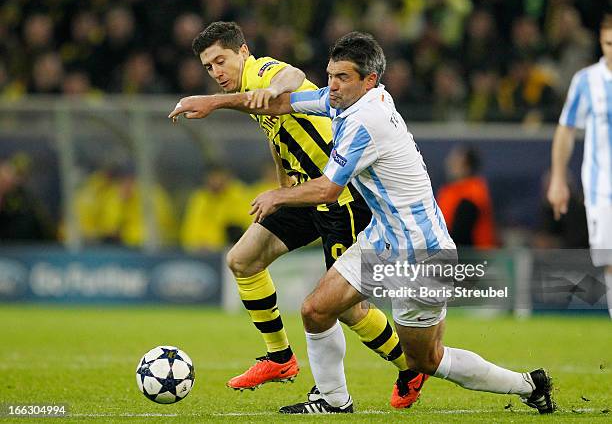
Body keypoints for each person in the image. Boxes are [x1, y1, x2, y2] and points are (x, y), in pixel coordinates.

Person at [206, 31, 554, 414]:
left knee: (426, 360)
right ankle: (332, 401)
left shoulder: (365, 122)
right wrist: (210, 103)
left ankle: (528, 385)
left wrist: (277, 195)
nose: (332, 85)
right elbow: (284, 104)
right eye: (330, 75)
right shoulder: (352, 99)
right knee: (316, 310)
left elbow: (325, 190)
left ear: (368, 80)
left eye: (342, 78)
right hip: (383, 241)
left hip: (421, 256)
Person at [169, 21, 423, 408]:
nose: (216, 72)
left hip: (340, 195)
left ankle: (411, 366)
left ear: (242, 52)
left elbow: (293, 74)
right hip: (304, 193)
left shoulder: (262, 71)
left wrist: (272, 89)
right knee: (242, 260)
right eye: (208, 67)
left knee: (348, 309)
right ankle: (280, 358)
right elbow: (278, 137)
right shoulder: (245, 92)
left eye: (221, 60)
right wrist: (282, 187)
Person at [548, 14, 612, 318]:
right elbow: (566, 129)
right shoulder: (587, 81)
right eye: (607, 44)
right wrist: (558, 180)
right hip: (603, 191)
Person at [437, 145, 497, 248]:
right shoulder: (450, 191)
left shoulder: (473, 194)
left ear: (467, 167)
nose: (450, 164)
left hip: (472, 258)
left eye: (455, 161)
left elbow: (461, 234)